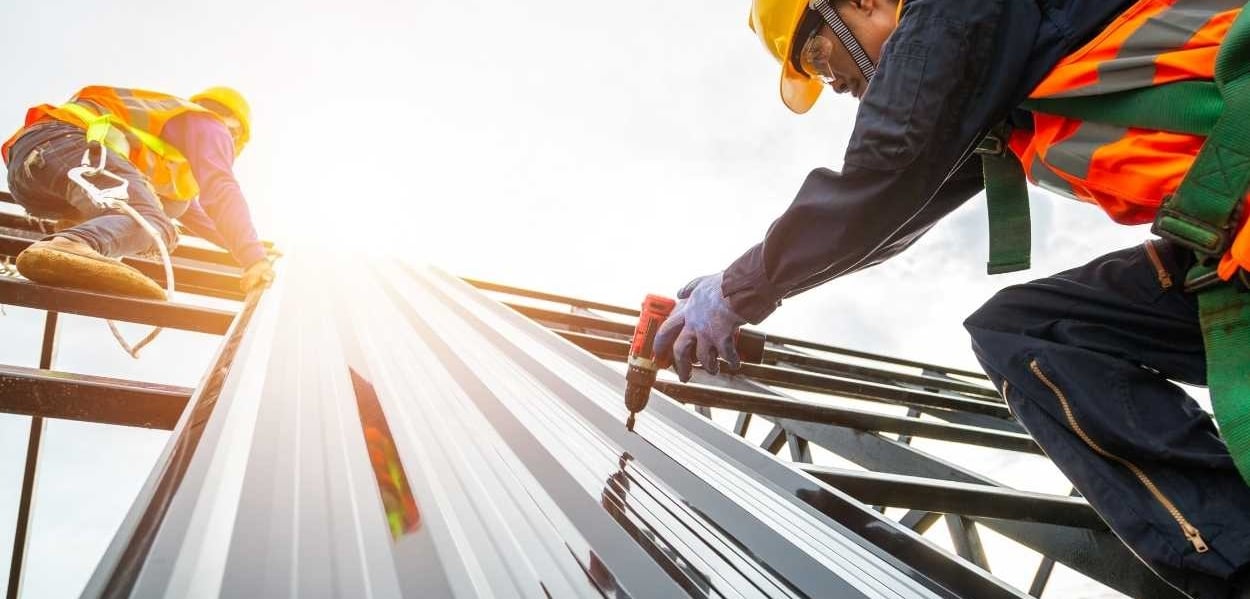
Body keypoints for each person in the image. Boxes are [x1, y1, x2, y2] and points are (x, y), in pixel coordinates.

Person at [652, 0, 1250, 596]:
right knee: (1024, 330)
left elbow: (886, 168)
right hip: (1233, 243)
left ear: (861, 2)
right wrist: (744, 286)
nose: (835, 84)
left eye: (819, 55)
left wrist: (737, 289)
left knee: (1027, 328)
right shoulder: (995, 67)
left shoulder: (955, 10)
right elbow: (889, 215)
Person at [2, 85, 273, 299]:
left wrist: (253, 248)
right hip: (66, 144)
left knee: (167, 210)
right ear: (234, 129)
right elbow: (221, 188)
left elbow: (202, 219)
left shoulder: (171, 154)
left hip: (32, 175)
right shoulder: (209, 125)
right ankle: (72, 244)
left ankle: (78, 235)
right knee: (154, 226)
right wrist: (254, 259)